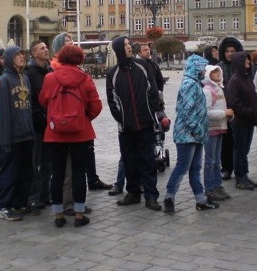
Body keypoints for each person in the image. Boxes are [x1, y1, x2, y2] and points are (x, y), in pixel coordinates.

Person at [39, 44, 103, 228]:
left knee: (57, 173)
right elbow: (96, 106)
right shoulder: (85, 78)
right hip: (80, 133)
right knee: (78, 173)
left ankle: (58, 215)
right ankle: (79, 214)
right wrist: (82, 118)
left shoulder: (50, 78)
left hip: (55, 132)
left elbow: (43, 100)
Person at [107, 36, 163, 211]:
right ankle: (133, 193)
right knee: (130, 162)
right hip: (126, 128)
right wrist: (122, 119)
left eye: (129, 44)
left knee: (148, 162)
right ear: (118, 50)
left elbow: (153, 90)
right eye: (125, 45)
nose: (129, 47)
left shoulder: (142, 66)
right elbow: (112, 101)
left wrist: (153, 113)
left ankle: (151, 196)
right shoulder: (113, 73)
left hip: (145, 124)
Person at [163, 54, 220, 215]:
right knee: (182, 167)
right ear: (195, 68)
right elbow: (187, 111)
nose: (204, 71)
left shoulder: (194, 83)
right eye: (201, 67)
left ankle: (201, 200)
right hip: (188, 134)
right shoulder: (190, 84)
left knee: (195, 168)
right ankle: (169, 198)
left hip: (195, 134)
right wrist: (195, 129)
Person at [0, 46, 34, 221]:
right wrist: (5, 139)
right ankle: (4, 205)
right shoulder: (5, 81)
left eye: (22, 54)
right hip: (12, 136)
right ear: (10, 59)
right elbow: (3, 112)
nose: (21, 57)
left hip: (27, 134)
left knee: (25, 171)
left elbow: (29, 107)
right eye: (17, 55)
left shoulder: (25, 78)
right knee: (10, 171)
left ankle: (19, 203)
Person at [227, 52, 257, 191]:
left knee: (245, 149)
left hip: (248, 120)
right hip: (240, 121)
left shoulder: (246, 78)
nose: (248, 62)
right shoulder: (235, 80)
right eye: (246, 60)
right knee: (240, 150)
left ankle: (245, 176)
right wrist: (251, 111)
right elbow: (235, 103)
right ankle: (240, 178)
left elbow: (253, 96)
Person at [24, 40, 53, 209]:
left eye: (46, 47)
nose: (46, 50)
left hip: (49, 122)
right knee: (34, 162)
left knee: (48, 161)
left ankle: (45, 193)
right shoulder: (28, 72)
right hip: (36, 123)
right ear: (34, 53)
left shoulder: (50, 70)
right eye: (42, 48)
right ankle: (33, 196)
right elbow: (29, 99)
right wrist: (39, 115)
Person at [202, 65, 232, 202]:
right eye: (214, 72)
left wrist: (228, 116)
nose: (218, 74)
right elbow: (206, 113)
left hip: (219, 127)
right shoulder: (208, 91)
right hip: (211, 129)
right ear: (208, 75)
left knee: (217, 161)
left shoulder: (219, 88)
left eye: (218, 71)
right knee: (210, 161)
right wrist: (224, 114)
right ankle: (210, 188)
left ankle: (217, 185)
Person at [217, 36, 243, 180]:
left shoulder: (240, 67)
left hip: (238, 109)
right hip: (224, 109)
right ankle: (226, 168)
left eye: (232, 51)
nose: (229, 54)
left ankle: (239, 169)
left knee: (239, 143)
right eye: (227, 51)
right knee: (225, 142)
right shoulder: (219, 67)